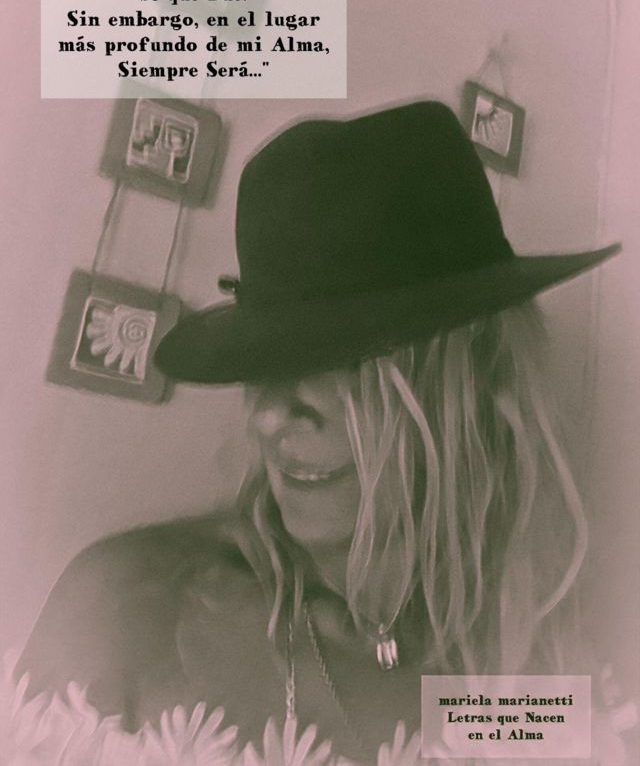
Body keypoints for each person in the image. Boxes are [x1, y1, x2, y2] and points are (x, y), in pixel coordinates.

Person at [11, 102, 629, 763]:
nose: (270, 415)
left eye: (342, 357)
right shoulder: (130, 610)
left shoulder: (519, 658)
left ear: (471, 378)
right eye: (267, 357)